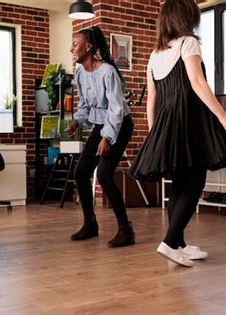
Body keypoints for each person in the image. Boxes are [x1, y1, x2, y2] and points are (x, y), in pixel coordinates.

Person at [129, 0, 226, 267]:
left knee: (179, 183)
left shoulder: (154, 54)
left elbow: (152, 99)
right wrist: (223, 116)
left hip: (167, 123)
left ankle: (179, 243)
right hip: (189, 120)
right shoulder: (188, 43)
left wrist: (154, 133)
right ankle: (169, 242)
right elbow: (197, 82)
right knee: (194, 183)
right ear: (186, 17)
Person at [66, 26, 135, 248]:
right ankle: (90, 224)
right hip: (100, 124)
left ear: (88, 46)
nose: (71, 49)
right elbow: (85, 104)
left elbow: (115, 109)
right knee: (81, 172)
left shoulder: (107, 72)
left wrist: (107, 137)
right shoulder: (79, 73)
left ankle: (126, 230)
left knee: (104, 175)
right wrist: (77, 120)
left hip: (120, 125)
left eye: (75, 45)